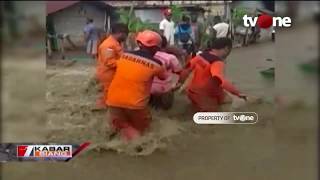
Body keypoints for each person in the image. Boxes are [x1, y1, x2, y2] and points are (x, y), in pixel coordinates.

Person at [106, 30, 167, 141]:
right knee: (144, 131)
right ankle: (139, 147)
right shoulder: (157, 64)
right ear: (156, 48)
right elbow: (164, 77)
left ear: (139, 43)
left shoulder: (124, 55)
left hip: (112, 100)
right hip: (136, 104)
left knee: (121, 125)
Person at [178, 38, 247, 112]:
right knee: (215, 117)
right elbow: (222, 81)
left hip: (193, 92)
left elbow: (185, 70)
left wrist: (180, 84)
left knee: (228, 100)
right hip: (203, 95)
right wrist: (238, 93)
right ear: (226, 49)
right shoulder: (217, 62)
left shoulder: (200, 56)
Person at [95, 23, 129, 109]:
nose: (126, 38)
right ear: (121, 33)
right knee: (108, 93)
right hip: (108, 74)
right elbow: (109, 62)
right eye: (126, 35)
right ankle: (103, 108)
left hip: (113, 74)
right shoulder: (108, 45)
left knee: (111, 93)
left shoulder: (115, 43)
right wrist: (126, 63)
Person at [149, 34, 182, 110]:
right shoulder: (171, 57)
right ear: (165, 45)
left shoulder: (145, 55)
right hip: (163, 89)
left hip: (146, 88)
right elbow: (179, 71)